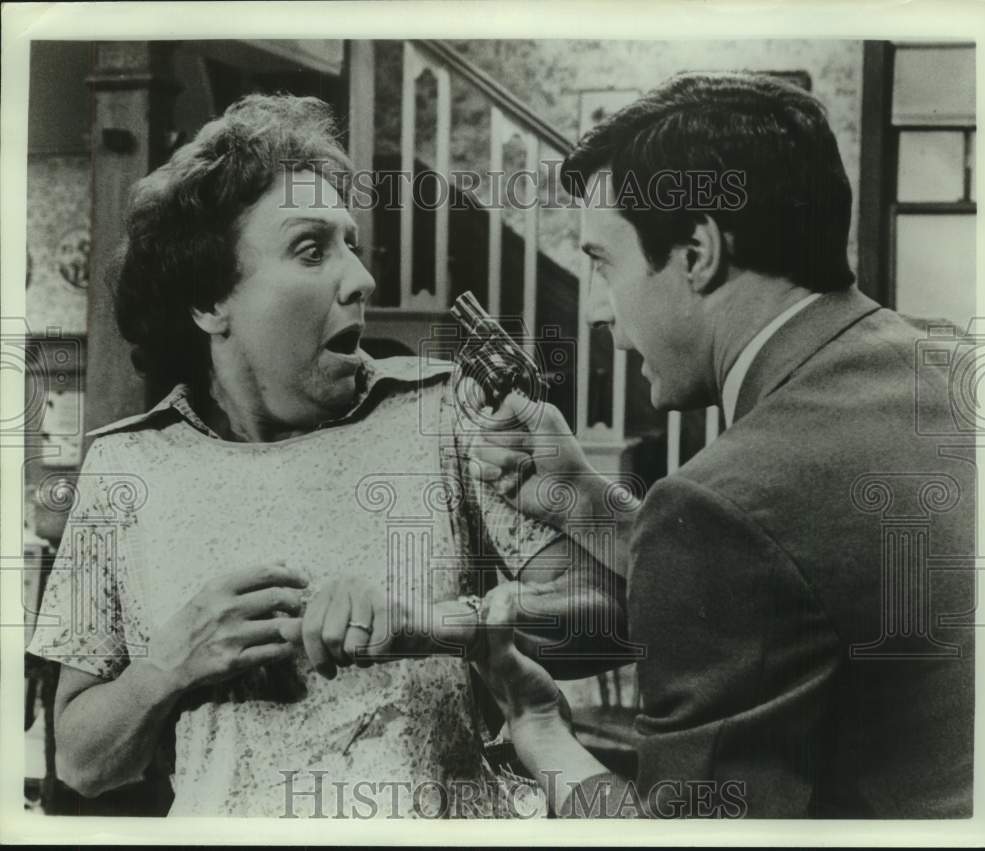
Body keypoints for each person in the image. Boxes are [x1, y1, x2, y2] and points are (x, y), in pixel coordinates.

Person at [26, 94, 624, 818]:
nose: (361, 279)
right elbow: (82, 760)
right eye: (312, 248)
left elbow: (613, 619)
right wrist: (169, 665)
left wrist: (431, 623)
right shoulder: (126, 467)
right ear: (210, 301)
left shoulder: (445, 414)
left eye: (351, 244)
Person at [465, 72, 975, 818]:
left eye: (603, 263)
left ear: (697, 252)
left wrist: (541, 730)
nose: (604, 311)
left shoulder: (719, 504)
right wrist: (580, 498)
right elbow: (788, 574)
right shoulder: (951, 368)